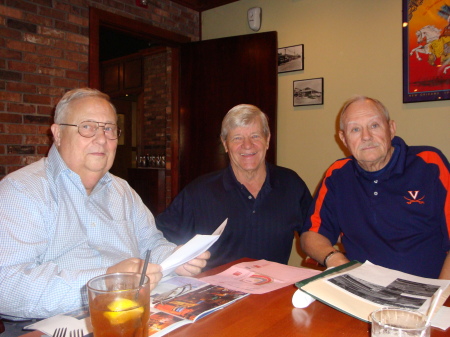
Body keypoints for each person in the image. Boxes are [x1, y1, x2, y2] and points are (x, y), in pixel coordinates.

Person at [0, 88, 210, 331]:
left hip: (133, 314)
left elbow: (151, 243)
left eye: (109, 128)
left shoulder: (124, 191)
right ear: (57, 134)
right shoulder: (22, 191)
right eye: (87, 127)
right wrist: (107, 282)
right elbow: (6, 285)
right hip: (46, 326)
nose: (101, 139)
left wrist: (174, 259)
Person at [300, 95, 450, 279]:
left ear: (391, 128)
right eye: (355, 129)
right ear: (343, 139)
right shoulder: (338, 175)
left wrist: (439, 296)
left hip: (425, 291)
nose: (366, 137)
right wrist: (335, 259)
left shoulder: (429, 164)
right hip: (362, 291)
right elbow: (311, 235)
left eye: (374, 125)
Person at [156, 104, 312, 270]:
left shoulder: (291, 184)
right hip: (215, 293)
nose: (247, 145)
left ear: (267, 140)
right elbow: (156, 238)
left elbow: (315, 234)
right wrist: (178, 260)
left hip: (273, 292)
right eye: (237, 138)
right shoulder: (198, 193)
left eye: (255, 136)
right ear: (225, 144)